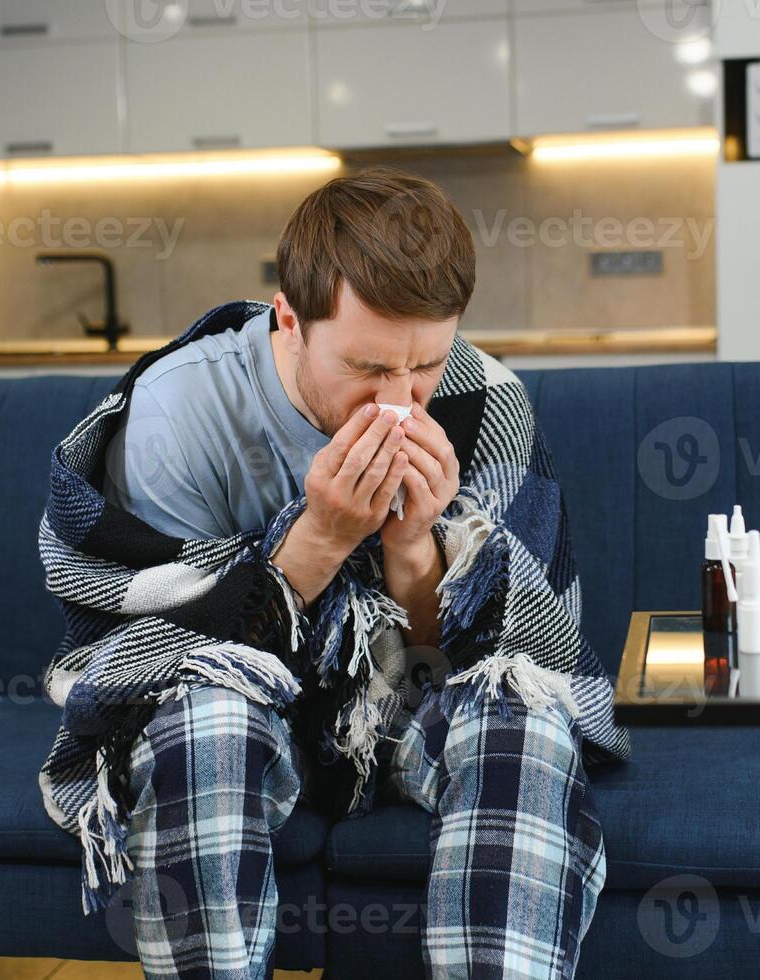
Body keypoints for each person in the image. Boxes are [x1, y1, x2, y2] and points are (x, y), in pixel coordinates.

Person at [40, 167, 628, 979]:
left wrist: (415, 545)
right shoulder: (181, 410)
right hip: (245, 714)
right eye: (368, 368)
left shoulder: (484, 403)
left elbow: (489, 656)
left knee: (520, 719)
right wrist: (319, 536)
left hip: (403, 709)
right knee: (202, 721)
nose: (401, 401)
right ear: (290, 318)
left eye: (425, 364)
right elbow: (154, 654)